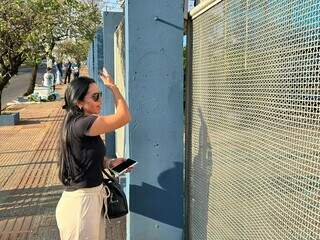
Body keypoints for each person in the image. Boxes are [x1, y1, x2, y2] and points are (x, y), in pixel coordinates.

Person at [55, 67, 131, 240]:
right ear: (79, 102)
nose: (100, 100)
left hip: (90, 199)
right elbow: (124, 117)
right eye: (95, 96)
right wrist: (113, 87)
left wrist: (109, 163)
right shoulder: (84, 123)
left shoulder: (78, 124)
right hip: (81, 204)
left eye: (101, 95)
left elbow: (86, 155)